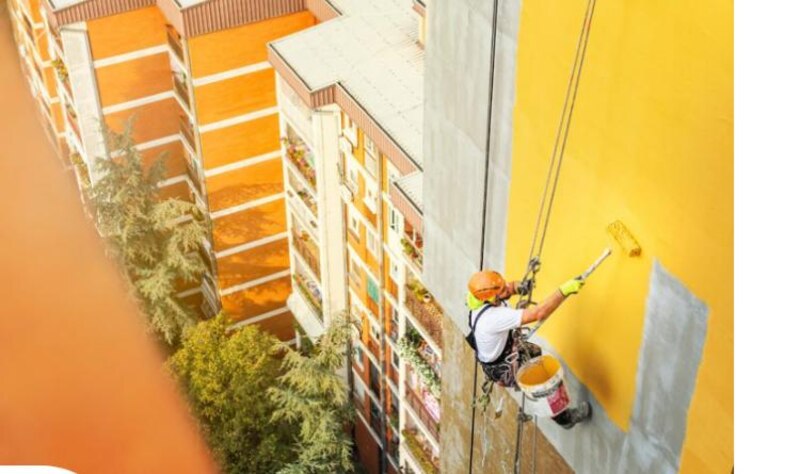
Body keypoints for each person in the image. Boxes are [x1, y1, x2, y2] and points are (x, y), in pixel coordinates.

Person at [465, 270, 592, 429]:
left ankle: (558, 407)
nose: (506, 290)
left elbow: (506, 289)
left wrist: (519, 287)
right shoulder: (493, 317)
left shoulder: (478, 298)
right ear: (492, 298)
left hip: (501, 354)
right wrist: (563, 291)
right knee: (539, 379)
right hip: (505, 366)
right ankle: (564, 419)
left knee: (536, 354)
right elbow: (538, 313)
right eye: (501, 291)